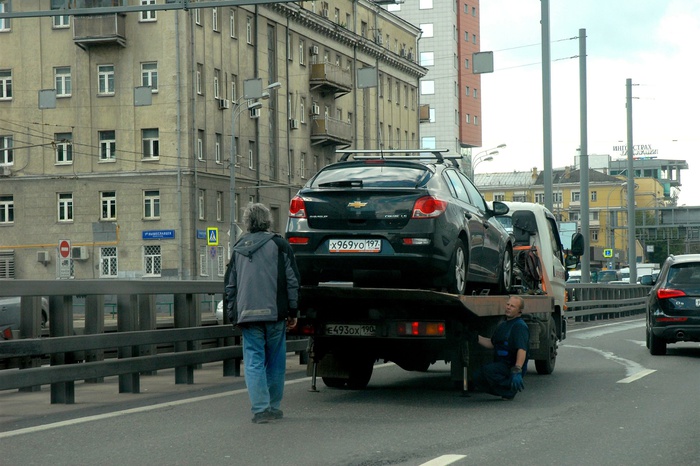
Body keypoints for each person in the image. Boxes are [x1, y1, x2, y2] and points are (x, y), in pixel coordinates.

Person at [225, 203, 300, 423]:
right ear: (268, 220)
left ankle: (260, 409)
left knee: (253, 361)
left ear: (247, 222)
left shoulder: (238, 248)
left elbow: (230, 286)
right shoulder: (280, 245)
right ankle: (274, 407)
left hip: (248, 315)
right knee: (276, 361)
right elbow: (292, 281)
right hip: (275, 314)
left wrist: (233, 314)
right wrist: (293, 310)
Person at [472, 295, 529, 400]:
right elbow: (491, 343)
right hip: (501, 364)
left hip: (511, 366)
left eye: (512, 306)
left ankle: (510, 389)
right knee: (477, 377)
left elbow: (522, 349)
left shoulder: (519, 326)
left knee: (487, 371)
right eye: (508, 304)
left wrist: (517, 369)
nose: (508, 307)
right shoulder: (503, 325)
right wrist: (474, 337)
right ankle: (506, 389)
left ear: (519, 311)